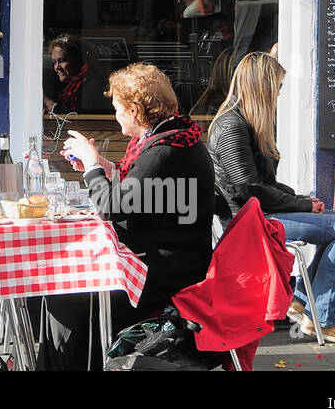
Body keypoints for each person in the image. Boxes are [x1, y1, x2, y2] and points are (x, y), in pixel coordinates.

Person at [41, 63, 215, 369]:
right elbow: (142, 187)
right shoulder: (171, 138)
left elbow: (110, 206)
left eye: (118, 108)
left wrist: (93, 165)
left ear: (135, 110)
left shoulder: (165, 151)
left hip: (164, 270)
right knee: (67, 288)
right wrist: (104, 167)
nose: (115, 115)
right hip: (169, 258)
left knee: (67, 294)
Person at [207, 52, 335, 342]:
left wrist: (301, 199)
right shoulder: (231, 127)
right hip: (247, 222)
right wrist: (301, 204)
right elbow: (248, 188)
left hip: (255, 214)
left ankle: (303, 300)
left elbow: (263, 184)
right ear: (261, 87)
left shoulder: (244, 122)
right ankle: (324, 317)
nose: (279, 93)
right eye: (277, 86)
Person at [42, 33, 103, 116]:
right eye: (54, 62)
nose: (57, 67)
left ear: (78, 60)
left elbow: (80, 119)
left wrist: (47, 103)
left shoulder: (92, 86)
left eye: (62, 61)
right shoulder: (70, 85)